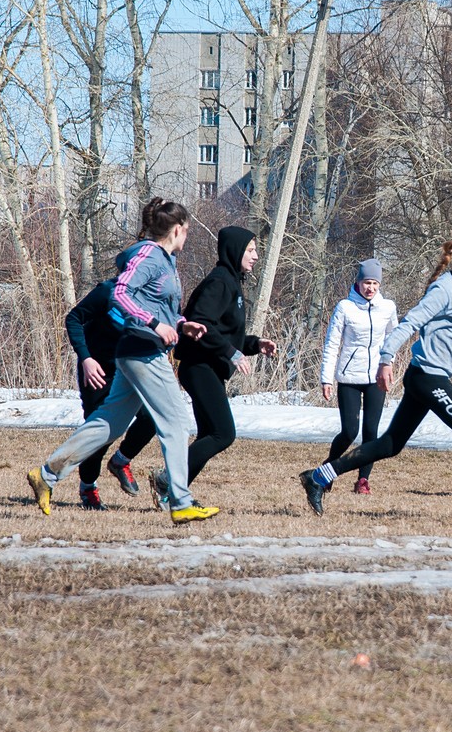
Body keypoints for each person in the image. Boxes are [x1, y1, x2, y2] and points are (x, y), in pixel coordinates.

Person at [298, 238, 452, 524]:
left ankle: (318, 476)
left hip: (432, 377)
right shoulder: (443, 290)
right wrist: (385, 359)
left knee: (390, 444)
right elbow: (410, 323)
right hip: (427, 376)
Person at [25, 197, 217, 526]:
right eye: (186, 232)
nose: (187, 238)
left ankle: (46, 475)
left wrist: (181, 324)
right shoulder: (149, 254)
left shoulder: (164, 260)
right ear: (176, 230)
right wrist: (155, 325)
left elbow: (155, 304)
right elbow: (121, 293)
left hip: (137, 350)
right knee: (176, 423)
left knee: (108, 424)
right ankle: (181, 501)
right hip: (142, 349)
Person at [148, 226, 277, 509]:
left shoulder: (232, 281)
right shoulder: (220, 282)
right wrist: (231, 353)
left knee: (210, 435)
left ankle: (171, 492)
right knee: (223, 433)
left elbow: (226, 333)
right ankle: (167, 480)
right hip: (198, 366)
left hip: (207, 367)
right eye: (251, 250)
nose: (256, 256)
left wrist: (254, 345)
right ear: (235, 251)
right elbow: (200, 323)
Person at [63, 278, 158, 510]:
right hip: (96, 370)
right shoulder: (108, 291)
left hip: (129, 369)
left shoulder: (150, 298)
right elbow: (73, 319)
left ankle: (121, 461)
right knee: (100, 433)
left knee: (152, 417)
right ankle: (87, 487)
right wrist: (85, 358)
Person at [318, 258, 399, 494]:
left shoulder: (388, 308)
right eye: (366, 282)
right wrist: (326, 379)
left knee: (371, 432)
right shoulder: (345, 307)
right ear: (358, 282)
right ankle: (327, 470)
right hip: (349, 378)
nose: (370, 288)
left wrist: (388, 363)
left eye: (374, 283)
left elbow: (393, 338)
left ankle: (363, 480)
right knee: (350, 431)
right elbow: (332, 344)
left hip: (376, 378)